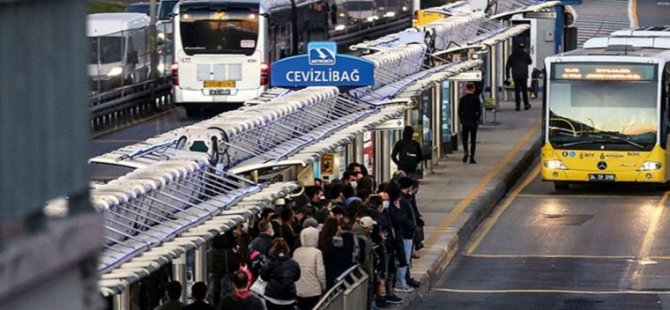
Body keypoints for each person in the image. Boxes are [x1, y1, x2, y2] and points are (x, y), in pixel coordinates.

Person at [260, 238, 301, 310]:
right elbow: (297, 277)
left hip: (272, 296)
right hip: (289, 297)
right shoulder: (294, 263)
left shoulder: (270, 262)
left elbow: (263, 276)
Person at [293, 227, 327, 310]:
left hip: (299, 289)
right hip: (313, 290)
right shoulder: (317, 252)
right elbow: (320, 272)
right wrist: (324, 286)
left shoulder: (296, 252)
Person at [458, 83, 482, 164]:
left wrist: (462, 119)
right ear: (473, 89)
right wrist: (477, 119)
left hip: (465, 121)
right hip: (473, 121)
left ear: (466, 89)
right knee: (473, 140)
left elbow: (459, 111)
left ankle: (465, 151)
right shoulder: (476, 99)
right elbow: (479, 111)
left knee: (464, 139)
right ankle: (472, 157)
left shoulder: (462, 99)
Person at [506, 42, 533, 111]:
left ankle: (518, 106)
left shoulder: (512, 55)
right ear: (523, 48)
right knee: (524, 90)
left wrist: (508, 76)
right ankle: (526, 104)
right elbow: (530, 62)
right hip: (524, 75)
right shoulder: (525, 54)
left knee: (517, 91)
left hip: (516, 75)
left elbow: (508, 66)